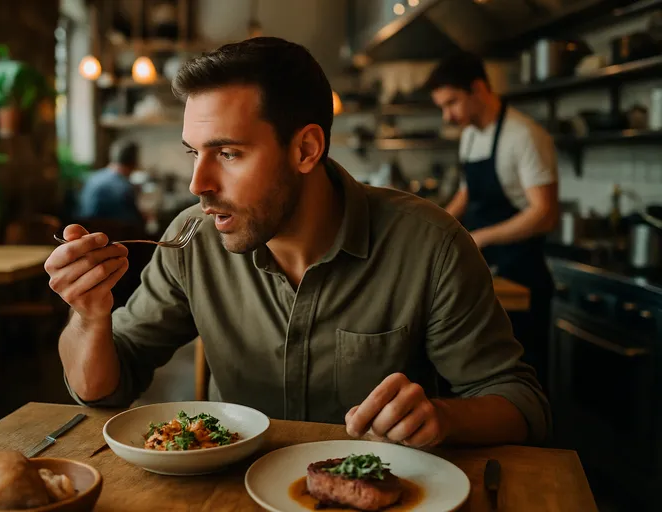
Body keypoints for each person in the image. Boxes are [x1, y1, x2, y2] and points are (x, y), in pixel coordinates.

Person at [45, 37, 550, 448]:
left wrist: (444, 417)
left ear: (306, 149)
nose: (198, 183)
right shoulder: (191, 239)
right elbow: (105, 389)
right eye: (193, 152)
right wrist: (90, 318)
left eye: (229, 153)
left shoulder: (431, 245)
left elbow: (519, 401)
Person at [426, 52, 559, 391]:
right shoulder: (471, 135)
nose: (448, 115)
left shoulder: (524, 135)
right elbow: (467, 193)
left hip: (521, 274)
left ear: (479, 88)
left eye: (452, 103)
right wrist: (432, 225)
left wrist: (481, 237)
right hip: (487, 273)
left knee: (520, 383)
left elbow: (544, 213)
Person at [76, 140, 144, 224]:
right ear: (133, 163)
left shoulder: (93, 177)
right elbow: (134, 220)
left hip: (85, 229)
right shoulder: (124, 187)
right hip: (111, 233)